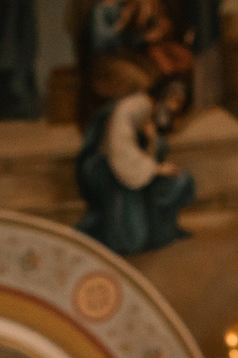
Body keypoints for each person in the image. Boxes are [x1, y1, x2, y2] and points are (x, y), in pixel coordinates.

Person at [75, 74, 197, 256]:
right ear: (162, 94)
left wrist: (152, 143)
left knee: (181, 181)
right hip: (111, 173)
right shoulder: (132, 107)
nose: (174, 107)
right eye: (173, 100)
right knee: (132, 241)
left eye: (179, 104)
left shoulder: (154, 114)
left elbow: (153, 153)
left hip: (136, 173)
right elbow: (120, 149)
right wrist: (155, 169)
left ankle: (162, 230)